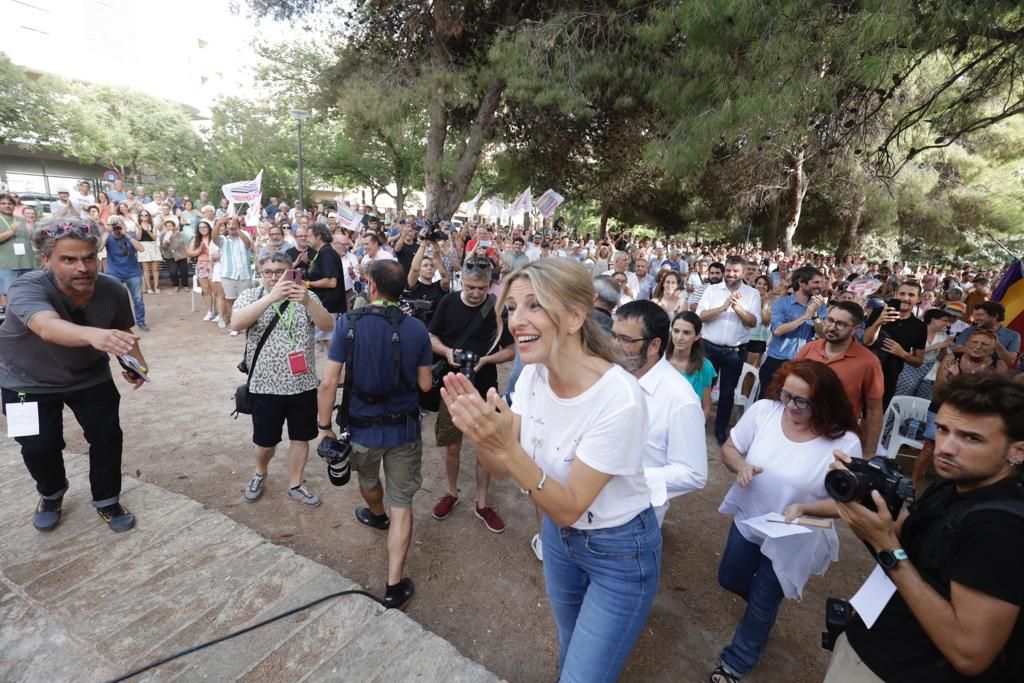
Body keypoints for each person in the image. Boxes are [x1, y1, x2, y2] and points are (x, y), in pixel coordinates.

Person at [442, 258, 661, 682]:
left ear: (576, 316)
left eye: (533, 306)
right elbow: (501, 469)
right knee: (569, 644)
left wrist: (505, 444)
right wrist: (480, 432)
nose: (515, 321)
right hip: (560, 543)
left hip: (619, 551)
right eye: (510, 308)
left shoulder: (619, 397)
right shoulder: (533, 378)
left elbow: (570, 506)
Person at [825, 373, 1024, 683]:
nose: (945, 448)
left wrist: (886, 548)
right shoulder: (954, 485)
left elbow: (969, 653)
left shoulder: (1001, 528)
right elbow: (917, 545)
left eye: (970, 438)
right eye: (943, 430)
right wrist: (867, 497)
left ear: (1018, 452)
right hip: (873, 642)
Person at [711, 360, 863, 683]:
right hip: (750, 517)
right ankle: (760, 617)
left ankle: (735, 664)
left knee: (764, 597)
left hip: (796, 535)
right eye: (786, 394)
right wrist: (740, 466)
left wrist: (805, 511)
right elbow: (729, 449)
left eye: (800, 401)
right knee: (730, 577)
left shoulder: (843, 442)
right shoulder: (765, 411)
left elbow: (846, 502)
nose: (789, 405)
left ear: (823, 403)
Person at [0, 219, 147, 532]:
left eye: (89, 258)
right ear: (46, 260)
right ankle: (51, 493)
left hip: (89, 377)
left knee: (107, 438)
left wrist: (134, 365)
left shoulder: (112, 289)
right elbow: (46, 326)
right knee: (37, 446)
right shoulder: (26, 287)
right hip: (24, 382)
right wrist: (95, 335)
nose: (82, 267)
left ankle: (107, 499)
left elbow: (123, 331)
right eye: (69, 259)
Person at [317, 260, 433, 609]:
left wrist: (324, 428)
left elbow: (328, 382)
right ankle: (393, 585)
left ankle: (375, 514)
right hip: (403, 431)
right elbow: (426, 384)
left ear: (371, 286)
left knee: (367, 478)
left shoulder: (347, 324)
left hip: (360, 429)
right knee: (404, 504)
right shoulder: (416, 329)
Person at [231, 252, 334, 508]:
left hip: (303, 384)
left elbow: (328, 325)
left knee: (301, 438)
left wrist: (309, 302)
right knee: (265, 443)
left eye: (280, 272)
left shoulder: (306, 297)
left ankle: (296, 484)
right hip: (264, 385)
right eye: (268, 272)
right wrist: (271, 297)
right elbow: (236, 323)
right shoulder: (250, 296)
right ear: (261, 273)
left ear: (291, 272)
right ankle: (260, 471)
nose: (274, 277)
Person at [428, 256, 515, 533]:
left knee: (484, 448)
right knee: (452, 446)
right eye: (470, 287)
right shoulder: (448, 302)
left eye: (482, 287)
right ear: (461, 281)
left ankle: (482, 503)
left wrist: (486, 361)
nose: (476, 292)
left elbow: (512, 350)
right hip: (451, 386)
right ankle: (452, 493)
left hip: (484, 388)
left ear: (490, 284)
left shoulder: (497, 308)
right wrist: (446, 352)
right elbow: (431, 337)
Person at [613, 301, 707, 526]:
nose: (613, 345)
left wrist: (622, 477)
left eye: (624, 340)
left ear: (654, 345)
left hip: (636, 518)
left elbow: (693, 473)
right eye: (613, 335)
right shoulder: (614, 374)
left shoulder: (681, 399)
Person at [796, 301, 885, 455]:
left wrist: (870, 451)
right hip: (798, 432)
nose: (831, 327)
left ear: (855, 329)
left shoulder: (869, 362)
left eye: (841, 324)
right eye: (829, 320)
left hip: (836, 442)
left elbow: (874, 410)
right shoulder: (808, 349)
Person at [698, 255, 762, 445]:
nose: (731, 274)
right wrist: (723, 307)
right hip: (708, 348)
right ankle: (696, 423)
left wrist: (737, 307)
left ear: (743, 273)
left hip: (735, 352)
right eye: (728, 270)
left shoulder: (752, 294)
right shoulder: (711, 290)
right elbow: (700, 315)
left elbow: (753, 322)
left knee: (727, 393)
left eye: (735, 271)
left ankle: (720, 429)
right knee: (702, 388)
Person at [758, 267, 827, 396]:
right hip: (777, 362)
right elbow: (777, 331)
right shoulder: (782, 304)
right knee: (767, 402)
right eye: (816, 282)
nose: (820, 286)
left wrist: (815, 315)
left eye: (822, 282)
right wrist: (805, 316)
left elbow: (823, 335)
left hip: (802, 363)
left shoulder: (819, 305)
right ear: (801, 283)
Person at [863, 279, 927, 409]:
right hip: (864, 371)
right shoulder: (879, 312)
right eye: (902, 294)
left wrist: (902, 353)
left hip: (889, 378)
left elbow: (918, 362)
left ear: (918, 299)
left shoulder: (919, 327)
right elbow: (866, 341)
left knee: (874, 416)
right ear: (896, 294)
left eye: (911, 295)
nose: (905, 298)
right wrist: (879, 322)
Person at [667, 311, 717, 419]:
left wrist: (695, 429)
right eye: (676, 331)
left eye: (686, 333)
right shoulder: (659, 360)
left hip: (688, 423)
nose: (679, 337)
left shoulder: (705, 367)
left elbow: (706, 407)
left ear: (697, 336)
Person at [102, 218, 148, 332]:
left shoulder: (130, 235)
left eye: (118, 224)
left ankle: (141, 322)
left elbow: (141, 249)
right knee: (113, 299)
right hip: (114, 272)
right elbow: (98, 249)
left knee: (138, 299)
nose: (116, 227)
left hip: (133, 272)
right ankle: (115, 323)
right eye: (113, 225)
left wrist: (126, 234)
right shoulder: (107, 236)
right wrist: (106, 233)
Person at [305, 223, 346, 345]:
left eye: (309, 236)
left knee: (328, 341)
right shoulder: (323, 252)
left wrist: (308, 284)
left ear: (318, 236)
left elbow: (331, 282)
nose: (307, 239)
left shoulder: (327, 253)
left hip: (328, 305)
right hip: (325, 304)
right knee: (326, 342)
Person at [954, 301, 1020, 368]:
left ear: (995, 316)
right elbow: (957, 349)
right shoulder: (969, 330)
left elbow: (1010, 361)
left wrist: (997, 344)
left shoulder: (1013, 335)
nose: (975, 319)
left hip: (992, 374)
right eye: (975, 315)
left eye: (980, 315)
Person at [217, 217, 254, 334]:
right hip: (228, 274)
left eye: (233, 224)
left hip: (244, 274)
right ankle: (235, 324)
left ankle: (246, 324)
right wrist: (218, 223)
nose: (231, 225)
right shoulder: (223, 239)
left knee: (245, 300)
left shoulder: (245, 236)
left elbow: (248, 243)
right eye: (228, 224)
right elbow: (213, 238)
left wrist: (237, 229)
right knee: (230, 300)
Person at [404, 234, 450, 323]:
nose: (429, 268)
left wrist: (437, 257)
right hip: (418, 328)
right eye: (425, 265)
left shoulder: (439, 287)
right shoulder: (414, 286)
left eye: (431, 266)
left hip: (436, 329)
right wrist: (423, 243)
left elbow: (445, 277)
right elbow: (414, 269)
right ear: (420, 270)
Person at [0, 192, 34, 305]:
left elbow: (28, 239)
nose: (7, 205)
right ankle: (6, 319)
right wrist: (11, 231)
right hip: (6, 265)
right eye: (3, 203)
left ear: (14, 206)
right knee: (6, 293)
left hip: (27, 263)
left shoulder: (22, 220)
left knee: (28, 293)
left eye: (9, 203)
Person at [187, 221, 216, 320]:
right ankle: (209, 311)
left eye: (205, 227)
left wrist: (207, 251)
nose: (203, 229)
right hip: (201, 265)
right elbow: (190, 253)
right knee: (206, 289)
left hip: (214, 265)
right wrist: (200, 249)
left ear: (209, 227)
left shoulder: (214, 238)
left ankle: (218, 311)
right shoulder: (196, 239)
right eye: (200, 227)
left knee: (216, 289)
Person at [159, 219, 189, 293]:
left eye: (170, 226)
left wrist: (188, 256)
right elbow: (163, 248)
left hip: (181, 255)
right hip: (170, 256)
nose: (169, 227)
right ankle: (175, 285)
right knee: (173, 272)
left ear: (174, 226)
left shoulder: (181, 234)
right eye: (167, 226)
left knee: (184, 271)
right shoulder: (163, 235)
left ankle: (185, 285)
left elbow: (186, 245)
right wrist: (166, 243)